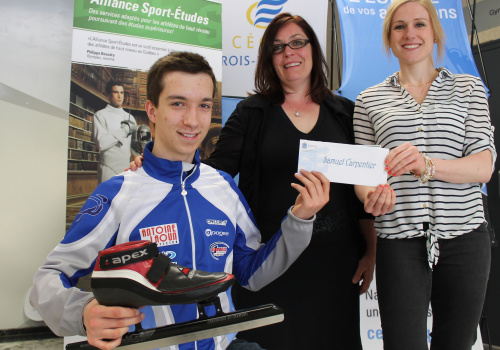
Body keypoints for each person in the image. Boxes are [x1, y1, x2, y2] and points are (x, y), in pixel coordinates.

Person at [30, 51, 330, 350]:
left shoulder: (223, 186)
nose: (192, 120)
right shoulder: (118, 193)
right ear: (151, 110)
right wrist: (83, 310)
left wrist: (300, 219)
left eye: (203, 106)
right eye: (177, 104)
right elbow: (48, 278)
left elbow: (251, 273)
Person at [132, 13, 377, 349]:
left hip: (336, 265)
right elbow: (213, 171)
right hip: (270, 262)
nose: (289, 52)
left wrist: (371, 250)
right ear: (268, 59)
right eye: (277, 47)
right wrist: (159, 165)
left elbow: (360, 191)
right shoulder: (253, 112)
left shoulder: (345, 113)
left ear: (312, 48)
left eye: (297, 42)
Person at [353, 0, 496, 349]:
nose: (410, 34)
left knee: (456, 343)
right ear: (389, 39)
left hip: (465, 239)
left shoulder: (469, 89)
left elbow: (483, 166)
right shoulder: (368, 100)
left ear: (434, 33)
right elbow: (365, 173)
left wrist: (427, 165)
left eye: (419, 24)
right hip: (399, 241)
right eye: (399, 26)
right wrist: (370, 196)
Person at [93, 80, 137, 183]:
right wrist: (123, 131)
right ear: (108, 95)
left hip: (126, 170)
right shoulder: (100, 115)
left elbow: (134, 148)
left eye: (121, 93)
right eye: (115, 92)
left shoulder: (130, 117)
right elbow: (101, 143)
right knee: (107, 199)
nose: (119, 96)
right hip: (108, 169)